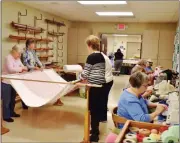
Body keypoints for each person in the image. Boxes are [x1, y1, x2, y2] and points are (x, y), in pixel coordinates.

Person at [80, 35, 113, 142]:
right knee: (96, 109)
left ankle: (94, 135)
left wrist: (79, 76)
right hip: (100, 85)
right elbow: (97, 72)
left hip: (95, 86)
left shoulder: (91, 57)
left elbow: (85, 73)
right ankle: (95, 129)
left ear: (89, 45)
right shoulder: (101, 56)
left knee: (93, 110)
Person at [22, 39, 64, 106]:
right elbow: (25, 64)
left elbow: (37, 59)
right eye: (32, 44)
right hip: (29, 72)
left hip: (35, 71)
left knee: (35, 87)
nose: (34, 46)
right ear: (28, 45)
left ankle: (35, 101)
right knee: (28, 88)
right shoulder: (25, 53)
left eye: (34, 44)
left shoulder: (33, 52)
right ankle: (25, 104)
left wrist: (41, 66)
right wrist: (33, 67)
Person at [2, 45, 28, 122]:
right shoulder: (8, 58)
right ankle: (6, 116)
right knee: (7, 100)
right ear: (14, 52)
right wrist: (21, 69)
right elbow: (11, 70)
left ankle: (11, 112)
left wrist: (24, 68)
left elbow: (23, 67)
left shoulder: (17, 58)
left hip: (14, 81)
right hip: (6, 82)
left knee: (12, 99)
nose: (20, 55)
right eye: (19, 54)